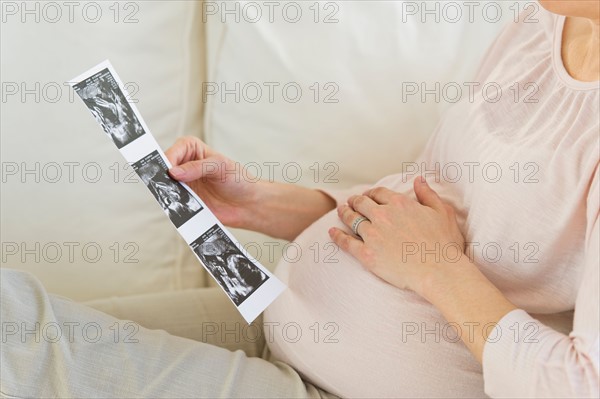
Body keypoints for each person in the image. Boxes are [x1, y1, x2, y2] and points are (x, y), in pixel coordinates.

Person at [1, 1, 598, 397]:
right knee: (18, 338)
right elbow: (424, 207)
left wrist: (437, 270)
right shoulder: (543, 24)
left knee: (23, 339)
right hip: (279, 320)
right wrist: (260, 204)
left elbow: (579, 383)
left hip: (347, 387)